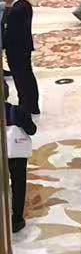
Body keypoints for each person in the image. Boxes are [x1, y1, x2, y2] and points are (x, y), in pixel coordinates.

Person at [0, 0, 37, 114]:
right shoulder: (25, 4)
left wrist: (2, 45)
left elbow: (10, 32)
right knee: (27, 77)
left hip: (16, 49)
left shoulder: (14, 11)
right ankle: (31, 104)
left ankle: (27, 105)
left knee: (21, 79)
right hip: (24, 47)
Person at [5, 95, 34, 233]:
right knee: (18, 184)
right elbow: (32, 130)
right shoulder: (17, 111)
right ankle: (17, 220)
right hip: (16, 153)